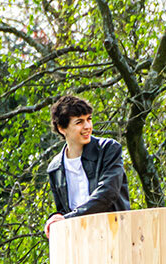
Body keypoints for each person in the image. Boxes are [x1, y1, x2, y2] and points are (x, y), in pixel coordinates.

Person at [45, 94, 130, 237]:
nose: (87, 126)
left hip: (114, 236)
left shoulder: (109, 149)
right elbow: (63, 210)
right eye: (79, 122)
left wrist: (67, 219)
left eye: (89, 119)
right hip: (79, 242)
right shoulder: (55, 168)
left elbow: (108, 194)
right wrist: (54, 220)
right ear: (62, 128)